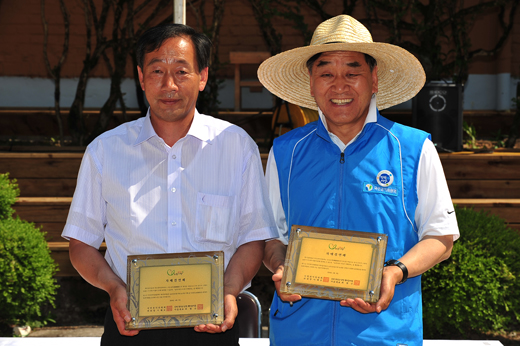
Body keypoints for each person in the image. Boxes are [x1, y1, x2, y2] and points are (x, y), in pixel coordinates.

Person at [62, 23, 277, 346]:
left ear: (203, 77)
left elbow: (253, 237)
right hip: (130, 327)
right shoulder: (105, 151)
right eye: (157, 71)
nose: (169, 84)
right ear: (140, 76)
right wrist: (114, 287)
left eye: (181, 71)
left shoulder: (235, 146)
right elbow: (80, 244)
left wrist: (230, 290)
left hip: (213, 326)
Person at [258, 15, 460, 346]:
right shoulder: (285, 151)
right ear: (311, 82)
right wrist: (280, 266)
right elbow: (269, 236)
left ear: (374, 79)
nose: (340, 85)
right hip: (300, 333)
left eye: (353, 73)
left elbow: (440, 238)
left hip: (385, 333)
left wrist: (395, 272)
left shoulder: (411, 148)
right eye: (326, 73)